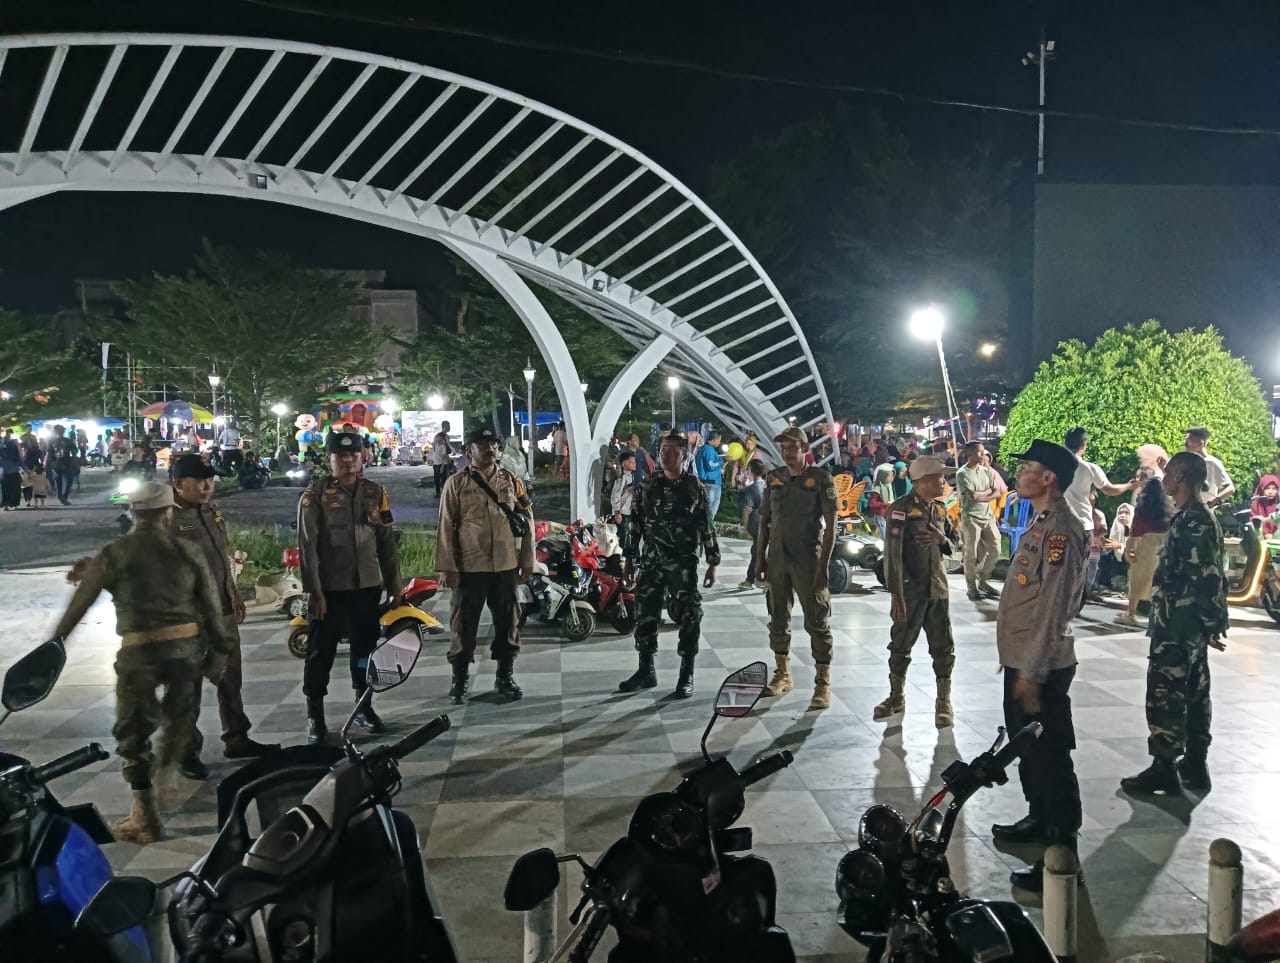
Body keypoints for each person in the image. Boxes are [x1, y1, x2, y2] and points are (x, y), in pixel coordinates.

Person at [53, 481, 234, 843]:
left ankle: (145, 814)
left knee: (133, 732)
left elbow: (79, 605)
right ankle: (167, 772)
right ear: (168, 513)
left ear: (133, 513)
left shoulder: (115, 553)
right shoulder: (187, 551)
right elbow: (213, 606)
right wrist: (220, 650)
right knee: (178, 721)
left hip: (139, 655)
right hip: (185, 653)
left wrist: (53, 647)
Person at [989, 439, 1087, 892]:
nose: (1019, 473)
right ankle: (1038, 818)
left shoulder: (1062, 530)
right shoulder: (1042, 521)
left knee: (1049, 757)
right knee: (1027, 747)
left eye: (1027, 467)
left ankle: (1063, 853)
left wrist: (1032, 670)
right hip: (1023, 658)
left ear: (1047, 478)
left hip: (1040, 664)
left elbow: (1054, 608)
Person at [1121, 451, 1229, 796]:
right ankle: (1194, 764)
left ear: (1180, 477)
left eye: (1169, 473)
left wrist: (1213, 622)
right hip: (1183, 622)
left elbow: (1208, 577)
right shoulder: (1192, 516)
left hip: (1179, 624)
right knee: (1194, 692)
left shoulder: (1195, 521)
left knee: (1166, 692)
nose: (1164, 478)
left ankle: (1165, 767)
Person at [170, 454, 278, 770]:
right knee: (188, 685)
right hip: (189, 618)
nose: (207, 487)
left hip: (222, 610)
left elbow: (221, 557)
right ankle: (186, 752)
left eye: (210, 480)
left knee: (231, 678)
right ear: (178, 483)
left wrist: (234, 593)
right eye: (200, 481)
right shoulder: (166, 519)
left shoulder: (211, 511)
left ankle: (237, 738)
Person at [297, 431, 402, 744]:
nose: (347, 461)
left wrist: (394, 583)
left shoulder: (375, 492)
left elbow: (386, 541)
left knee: (365, 651)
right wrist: (314, 591)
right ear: (329, 459)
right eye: (340, 456)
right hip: (330, 590)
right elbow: (307, 547)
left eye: (353, 455)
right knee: (320, 653)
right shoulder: (314, 495)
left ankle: (364, 707)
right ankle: (315, 716)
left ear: (362, 457)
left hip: (366, 587)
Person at [618, 430, 720, 699]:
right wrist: (628, 560)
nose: (666, 456)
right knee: (645, 613)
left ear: (684, 455)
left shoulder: (693, 488)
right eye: (663, 451)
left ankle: (686, 673)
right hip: (651, 562)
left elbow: (706, 525)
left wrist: (712, 561)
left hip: (682, 564)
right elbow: (634, 525)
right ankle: (646, 670)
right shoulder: (648, 486)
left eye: (673, 452)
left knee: (689, 615)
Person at [437, 427, 534, 704]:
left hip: (505, 565)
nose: (490, 449)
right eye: (483, 445)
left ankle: (505, 675)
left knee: (508, 622)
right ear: (469, 451)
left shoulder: (511, 481)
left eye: (493, 444)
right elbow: (445, 525)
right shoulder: (456, 483)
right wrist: (446, 566)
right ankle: (460, 679)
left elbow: (527, 519)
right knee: (463, 624)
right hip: (470, 566)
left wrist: (528, 559)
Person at [873, 456, 960, 727]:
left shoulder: (940, 509)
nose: (944, 482)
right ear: (922, 481)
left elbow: (954, 543)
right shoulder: (900, 509)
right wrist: (896, 594)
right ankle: (896, 697)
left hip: (938, 590)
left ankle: (943, 702)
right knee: (900, 645)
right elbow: (893, 555)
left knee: (943, 647)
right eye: (939, 478)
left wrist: (942, 540)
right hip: (911, 591)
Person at [756, 426, 838, 710]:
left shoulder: (820, 479)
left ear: (805, 449)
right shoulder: (774, 478)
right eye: (784, 448)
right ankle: (783, 674)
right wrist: (760, 558)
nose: (787, 452)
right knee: (778, 616)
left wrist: (824, 565)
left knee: (817, 620)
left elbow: (831, 525)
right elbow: (764, 521)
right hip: (779, 558)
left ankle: (822, 683)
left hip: (808, 559)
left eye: (792, 447)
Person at [1115, 477, 1172, 626]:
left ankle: (1131, 613)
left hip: (1147, 543)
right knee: (1159, 581)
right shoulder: (1168, 508)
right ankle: (1160, 615)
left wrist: (1129, 551)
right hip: (1164, 544)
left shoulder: (1143, 508)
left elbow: (1135, 531)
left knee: (1138, 579)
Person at [1062, 426, 1138, 534]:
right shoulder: (1089, 469)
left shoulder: (1048, 467)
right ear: (1083, 446)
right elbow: (1110, 490)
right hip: (1082, 526)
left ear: (1064, 445)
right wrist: (1129, 486)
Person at [956, 440, 1004, 602]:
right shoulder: (962, 474)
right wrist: (987, 492)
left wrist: (981, 495)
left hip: (987, 516)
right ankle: (971, 587)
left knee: (996, 549)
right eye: (979, 451)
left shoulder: (986, 471)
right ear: (969, 454)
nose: (983, 454)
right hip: (971, 517)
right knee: (971, 554)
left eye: (983, 451)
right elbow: (972, 496)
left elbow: (997, 492)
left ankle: (983, 580)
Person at [1184, 426, 1235, 507]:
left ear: (1201, 443)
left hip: (1201, 512)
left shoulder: (1211, 463)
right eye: (1185, 440)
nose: (1185, 444)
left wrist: (1213, 502)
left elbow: (1230, 488)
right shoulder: (1183, 461)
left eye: (1189, 441)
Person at [739, 459, 766, 588]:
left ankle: (751, 580)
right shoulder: (767, 486)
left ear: (751, 471)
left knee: (756, 551)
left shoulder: (750, 489)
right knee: (762, 550)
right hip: (768, 522)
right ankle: (759, 578)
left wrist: (745, 527)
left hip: (756, 522)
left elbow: (748, 509)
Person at [695, 429, 725, 524]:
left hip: (708, 483)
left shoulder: (704, 449)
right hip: (711, 484)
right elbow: (711, 466)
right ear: (714, 439)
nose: (719, 442)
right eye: (719, 440)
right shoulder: (709, 449)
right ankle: (707, 528)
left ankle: (705, 527)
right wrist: (722, 461)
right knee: (710, 511)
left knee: (707, 511)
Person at [611, 451, 636, 563]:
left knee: (629, 537)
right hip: (623, 513)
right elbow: (615, 495)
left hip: (630, 512)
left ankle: (627, 560)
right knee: (622, 537)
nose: (634, 464)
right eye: (631, 462)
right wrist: (617, 512)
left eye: (634, 462)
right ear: (624, 464)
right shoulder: (622, 479)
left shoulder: (633, 477)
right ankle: (619, 560)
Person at [1099, 502, 1132, 589]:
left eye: (1126, 513)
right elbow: (1111, 542)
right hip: (1118, 556)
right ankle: (1104, 586)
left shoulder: (1136, 528)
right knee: (1103, 557)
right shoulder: (1117, 526)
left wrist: (1120, 546)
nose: (1123, 515)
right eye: (1120, 513)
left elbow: (1136, 550)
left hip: (1132, 557)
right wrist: (1105, 544)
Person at [47, 424, 77, 506]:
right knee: (58, 481)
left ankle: (64, 496)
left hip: (67, 462)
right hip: (56, 463)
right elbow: (49, 452)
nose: (62, 432)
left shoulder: (67, 440)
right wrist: (47, 463)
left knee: (69, 480)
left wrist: (74, 459)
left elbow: (74, 450)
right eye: (60, 430)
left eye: (63, 430)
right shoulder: (52, 441)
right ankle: (61, 496)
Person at [867, 462, 895, 539]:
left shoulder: (888, 486)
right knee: (884, 533)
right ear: (883, 476)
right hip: (880, 514)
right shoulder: (878, 488)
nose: (892, 478)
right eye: (889, 476)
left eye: (892, 476)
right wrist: (884, 503)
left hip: (887, 513)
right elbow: (872, 503)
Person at [430, 421, 453, 497]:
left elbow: (446, 452)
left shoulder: (446, 437)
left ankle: (442, 493)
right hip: (438, 461)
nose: (449, 428)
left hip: (443, 461)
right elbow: (444, 451)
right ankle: (439, 493)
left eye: (449, 426)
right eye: (448, 426)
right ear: (444, 427)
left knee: (443, 478)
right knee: (438, 479)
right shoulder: (439, 437)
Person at [0, 429, 21, 510]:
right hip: (13, 470)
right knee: (15, 488)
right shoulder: (13, 446)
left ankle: (6, 504)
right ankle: (15, 505)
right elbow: (19, 460)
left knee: (6, 488)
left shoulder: (2, 447)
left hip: (5, 471)